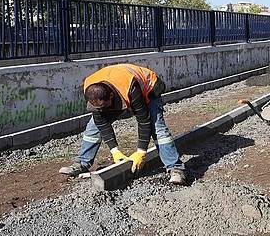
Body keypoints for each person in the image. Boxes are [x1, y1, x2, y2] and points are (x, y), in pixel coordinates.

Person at [59, 63, 187, 185]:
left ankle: (175, 168)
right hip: (117, 87)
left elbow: (143, 120)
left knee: (157, 127)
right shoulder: (90, 88)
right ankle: (82, 163)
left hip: (149, 88)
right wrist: (115, 151)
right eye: (99, 108)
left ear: (110, 96)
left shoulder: (130, 87)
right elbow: (101, 123)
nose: (102, 111)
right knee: (93, 127)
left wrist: (141, 152)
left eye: (104, 107)